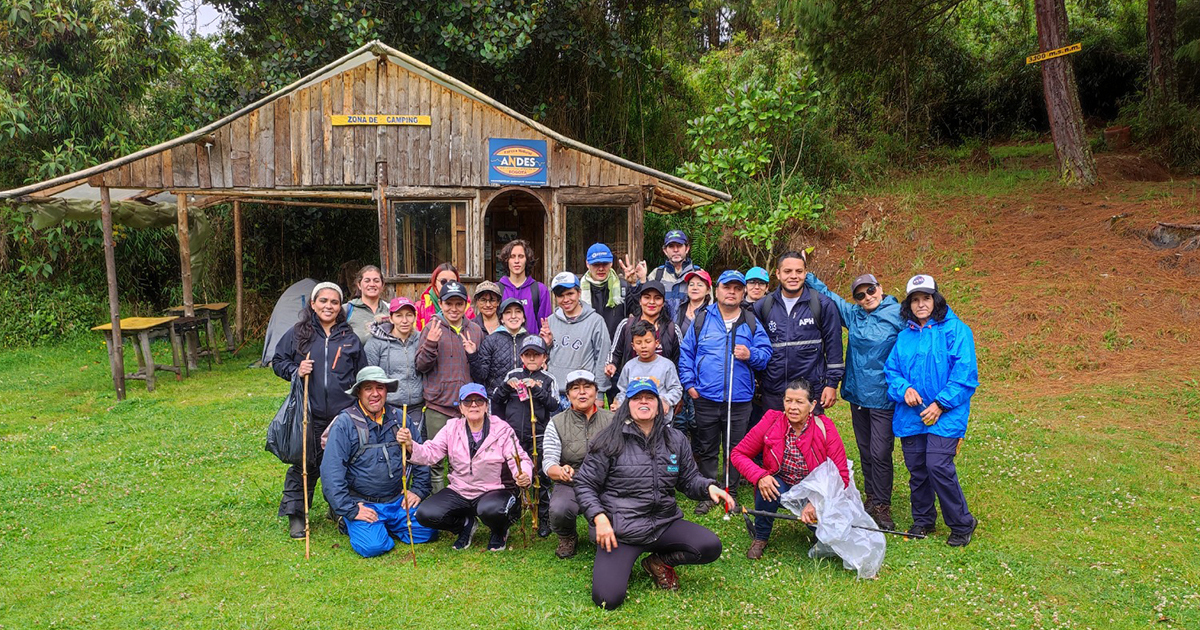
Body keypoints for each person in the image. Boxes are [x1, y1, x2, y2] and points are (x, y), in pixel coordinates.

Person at [574, 378, 735, 610]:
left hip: (663, 523)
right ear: (627, 404)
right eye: (637, 398)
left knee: (710, 546)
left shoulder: (675, 439)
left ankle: (658, 562)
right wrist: (599, 518)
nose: (643, 402)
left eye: (649, 397)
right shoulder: (608, 439)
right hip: (622, 529)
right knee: (606, 599)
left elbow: (689, 480)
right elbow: (585, 484)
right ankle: (621, 562)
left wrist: (709, 487)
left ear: (658, 404)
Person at [884, 274, 979, 547]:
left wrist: (941, 404)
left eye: (926, 298)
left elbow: (964, 374)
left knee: (938, 464)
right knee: (917, 469)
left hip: (947, 414)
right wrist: (904, 389)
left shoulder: (956, 330)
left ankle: (962, 522)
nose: (921, 304)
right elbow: (892, 371)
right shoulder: (904, 337)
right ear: (909, 305)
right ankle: (923, 519)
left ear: (936, 299)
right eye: (915, 300)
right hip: (911, 414)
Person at [806, 271, 904, 529]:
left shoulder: (898, 314)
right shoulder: (854, 314)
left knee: (881, 450)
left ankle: (883, 504)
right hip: (858, 393)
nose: (866, 297)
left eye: (870, 291)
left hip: (883, 394)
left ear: (880, 288)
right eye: (860, 295)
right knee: (865, 448)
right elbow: (830, 297)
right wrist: (806, 275)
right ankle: (872, 497)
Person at [271, 282, 366, 538]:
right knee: (305, 463)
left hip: (341, 414)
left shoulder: (350, 338)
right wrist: (296, 371)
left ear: (340, 307)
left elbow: (362, 375)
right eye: (323, 301)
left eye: (334, 302)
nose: (329, 306)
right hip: (308, 412)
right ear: (313, 304)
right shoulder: (298, 334)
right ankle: (297, 515)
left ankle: (339, 508)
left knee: (340, 463)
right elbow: (278, 360)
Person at [678, 270, 772, 514]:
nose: (732, 292)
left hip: (739, 398)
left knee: (736, 447)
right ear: (717, 290)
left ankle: (730, 489)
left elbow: (766, 354)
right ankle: (709, 490)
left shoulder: (750, 322)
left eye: (737, 288)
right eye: (727, 287)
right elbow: (687, 353)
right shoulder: (702, 319)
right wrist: (689, 385)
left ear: (742, 293)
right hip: (706, 397)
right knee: (707, 446)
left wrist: (750, 355)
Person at [398, 383, 534, 551]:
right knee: (425, 514)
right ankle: (465, 525)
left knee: (491, 510)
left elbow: (519, 458)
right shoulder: (451, 428)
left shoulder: (502, 429)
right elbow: (431, 452)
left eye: (479, 401)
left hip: (492, 489)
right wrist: (411, 445)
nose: (474, 405)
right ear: (461, 408)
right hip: (460, 490)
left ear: (486, 406)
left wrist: (523, 474)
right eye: (468, 401)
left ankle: (499, 531)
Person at [321, 366, 436, 557]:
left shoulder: (401, 419)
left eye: (380, 388)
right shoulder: (345, 423)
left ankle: (384, 524)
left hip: (397, 501)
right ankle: (344, 518)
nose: (375, 394)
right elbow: (331, 471)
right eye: (368, 388)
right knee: (373, 547)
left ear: (387, 391)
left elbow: (421, 455)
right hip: (363, 503)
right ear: (359, 392)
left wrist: (418, 490)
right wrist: (349, 509)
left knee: (428, 531)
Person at [730, 378, 850, 559]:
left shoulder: (825, 428)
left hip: (814, 488)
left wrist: (817, 502)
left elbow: (841, 476)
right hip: (783, 483)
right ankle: (761, 536)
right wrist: (760, 475)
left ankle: (819, 532)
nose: (793, 407)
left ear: (812, 405)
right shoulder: (771, 421)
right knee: (768, 486)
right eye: (788, 401)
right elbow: (738, 453)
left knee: (824, 529)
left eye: (800, 402)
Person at [753, 250, 845, 413]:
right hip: (774, 392)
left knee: (808, 439)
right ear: (778, 274)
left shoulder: (823, 305)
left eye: (799, 271)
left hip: (809, 392)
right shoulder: (763, 307)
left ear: (806, 273)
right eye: (788, 271)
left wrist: (831, 384)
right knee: (775, 438)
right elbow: (756, 349)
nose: (793, 276)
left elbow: (834, 347)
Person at [415, 280, 485, 493]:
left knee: (463, 459)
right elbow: (421, 366)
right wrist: (431, 343)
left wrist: (473, 354)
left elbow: (480, 369)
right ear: (441, 304)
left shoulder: (475, 330)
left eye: (458, 304)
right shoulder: (431, 328)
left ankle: (463, 503)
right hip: (438, 406)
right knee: (436, 461)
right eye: (448, 304)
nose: (453, 309)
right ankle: (440, 507)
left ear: (466, 305)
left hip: (466, 408)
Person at [543, 370, 615, 559]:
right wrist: (560, 471)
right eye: (575, 388)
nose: (582, 393)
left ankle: (601, 527)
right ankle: (567, 536)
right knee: (559, 510)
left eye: (587, 387)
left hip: (606, 484)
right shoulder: (556, 422)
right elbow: (549, 461)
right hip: (571, 482)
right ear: (568, 395)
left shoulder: (613, 420)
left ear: (596, 391)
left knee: (599, 539)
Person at [492, 335, 558, 537]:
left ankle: (543, 516)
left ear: (544, 358)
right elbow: (496, 401)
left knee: (541, 478)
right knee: (514, 476)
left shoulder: (549, 379)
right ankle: (515, 512)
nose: (531, 359)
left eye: (536, 355)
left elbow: (554, 405)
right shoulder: (512, 374)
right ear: (521, 357)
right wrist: (506, 387)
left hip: (538, 436)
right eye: (527, 354)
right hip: (513, 437)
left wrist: (537, 390)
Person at [545, 272, 612, 411]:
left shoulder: (595, 321)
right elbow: (543, 358)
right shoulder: (550, 321)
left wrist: (600, 394)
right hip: (555, 394)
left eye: (570, 294)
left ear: (579, 293)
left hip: (583, 394)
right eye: (561, 296)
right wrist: (546, 344)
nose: (566, 299)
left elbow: (602, 358)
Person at [363, 297, 425, 431]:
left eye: (409, 315)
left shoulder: (421, 339)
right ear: (391, 318)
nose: (404, 320)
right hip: (389, 405)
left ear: (414, 317)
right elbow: (369, 376)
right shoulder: (376, 343)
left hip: (417, 406)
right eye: (399, 316)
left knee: (415, 446)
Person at [605, 280, 683, 382]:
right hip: (632, 385)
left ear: (663, 303)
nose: (651, 302)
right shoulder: (626, 325)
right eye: (647, 297)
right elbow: (615, 353)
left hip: (662, 387)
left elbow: (681, 361)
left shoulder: (672, 329)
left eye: (657, 298)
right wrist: (611, 364)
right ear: (640, 301)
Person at [612, 319, 683, 423]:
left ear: (657, 343)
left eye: (648, 341)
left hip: (661, 420)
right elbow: (623, 391)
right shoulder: (629, 366)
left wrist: (666, 401)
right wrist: (618, 403)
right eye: (639, 343)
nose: (643, 346)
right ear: (633, 346)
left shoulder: (667, 365)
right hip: (634, 420)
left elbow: (676, 389)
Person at [469, 297, 530, 392]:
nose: (513, 316)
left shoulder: (529, 341)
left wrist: (547, 345)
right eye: (508, 312)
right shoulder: (491, 340)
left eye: (518, 312)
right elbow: (481, 376)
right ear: (501, 319)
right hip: (497, 399)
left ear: (523, 318)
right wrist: (472, 355)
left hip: (524, 399)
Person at [579, 243, 636, 338]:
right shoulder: (578, 289)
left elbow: (638, 312)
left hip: (617, 348)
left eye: (605, 264)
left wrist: (634, 285)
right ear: (587, 264)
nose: (601, 268)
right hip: (588, 347)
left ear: (611, 263)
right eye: (596, 264)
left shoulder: (623, 286)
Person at [645, 229, 703, 320]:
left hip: (691, 331)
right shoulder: (656, 274)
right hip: (662, 330)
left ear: (687, 248)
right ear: (665, 250)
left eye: (679, 246)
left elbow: (708, 306)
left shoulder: (699, 274)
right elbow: (645, 304)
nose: (675, 250)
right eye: (671, 246)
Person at [498, 239, 552, 335]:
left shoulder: (540, 290)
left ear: (527, 260)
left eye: (521, 256)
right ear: (506, 260)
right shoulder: (497, 289)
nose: (517, 261)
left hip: (531, 347)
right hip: (503, 348)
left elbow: (545, 326)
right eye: (512, 257)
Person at [415, 263, 474, 331]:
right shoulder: (420, 308)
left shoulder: (467, 309)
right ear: (434, 282)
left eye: (452, 282)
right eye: (443, 282)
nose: (448, 285)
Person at [344, 265, 389, 343]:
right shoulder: (347, 310)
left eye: (376, 281)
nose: (372, 284)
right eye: (367, 281)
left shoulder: (390, 309)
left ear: (382, 285)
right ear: (359, 285)